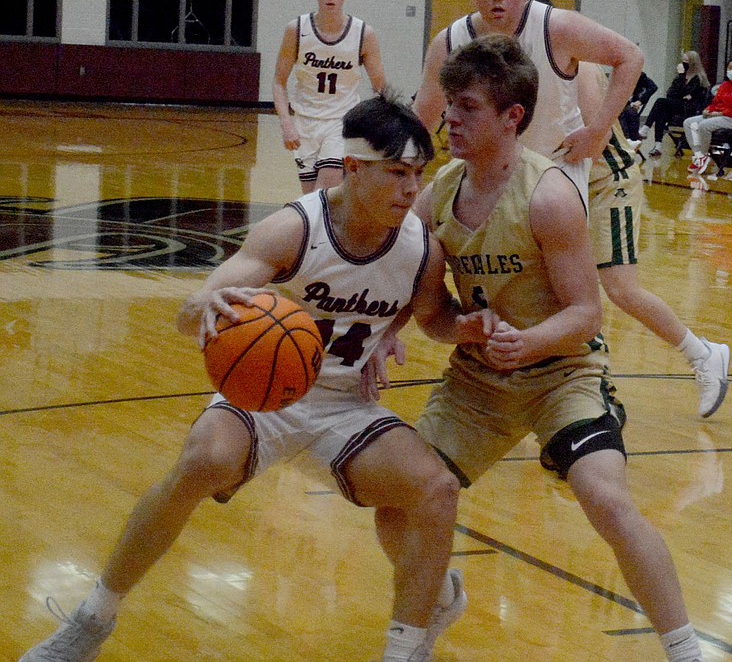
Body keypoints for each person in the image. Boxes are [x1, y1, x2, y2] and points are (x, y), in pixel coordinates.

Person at [17, 93, 490, 662]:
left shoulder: (421, 249)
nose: (411, 189)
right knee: (201, 462)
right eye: (397, 173)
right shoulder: (293, 229)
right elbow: (191, 313)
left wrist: (465, 329)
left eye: (418, 173)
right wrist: (205, 307)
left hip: (346, 405)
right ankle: (92, 620)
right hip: (263, 397)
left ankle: (408, 649)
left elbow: (433, 313)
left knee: (435, 489)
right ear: (355, 169)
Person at [377, 35, 706, 662]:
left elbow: (588, 314)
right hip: (478, 383)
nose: (451, 119)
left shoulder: (550, 197)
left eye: (467, 108)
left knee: (607, 500)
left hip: (562, 375)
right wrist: (453, 330)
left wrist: (527, 341)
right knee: (399, 503)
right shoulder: (435, 200)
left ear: (512, 118)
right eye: (450, 105)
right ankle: (439, 595)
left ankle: (685, 649)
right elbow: (432, 316)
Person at [412, 0, 643, 209]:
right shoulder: (448, 42)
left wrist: (596, 131)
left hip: (554, 165)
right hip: (483, 168)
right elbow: (422, 120)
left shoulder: (558, 27)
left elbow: (631, 57)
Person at [579, 62, 730, 417]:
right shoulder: (518, 66)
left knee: (620, 289)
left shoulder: (576, 66)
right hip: (569, 187)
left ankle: (703, 355)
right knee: (558, 291)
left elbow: (593, 138)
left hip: (606, 184)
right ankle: (589, 390)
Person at [272, 0, 386, 193]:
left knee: (326, 189)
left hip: (341, 122)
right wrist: (286, 123)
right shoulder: (297, 29)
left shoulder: (363, 33)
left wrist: (375, 124)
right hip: (304, 123)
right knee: (310, 195)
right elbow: (278, 82)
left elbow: (380, 86)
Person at [683, 58, 732, 176]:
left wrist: (721, 113)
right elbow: (715, 103)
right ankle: (699, 155)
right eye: (730, 68)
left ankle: (703, 153)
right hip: (717, 116)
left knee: (704, 125)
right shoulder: (724, 85)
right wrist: (708, 110)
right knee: (688, 122)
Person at [638, 51, 710, 157]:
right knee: (661, 112)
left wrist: (682, 79)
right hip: (678, 105)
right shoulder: (680, 77)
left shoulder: (698, 78)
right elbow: (670, 93)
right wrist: (683, 93)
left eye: (686, 61)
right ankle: (657, 146)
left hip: (689, 109)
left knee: (660, 101)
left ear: (693, 62)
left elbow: (686, 92)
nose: (684, 63)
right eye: (683, 60)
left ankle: (645, 129)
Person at [619, 70, 658, 145]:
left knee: (628, 112)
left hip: (629, 104)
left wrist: (641, 100)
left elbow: (653, 87)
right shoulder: (619, 74)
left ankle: (629, 139)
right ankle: (626, 138)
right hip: (618, 103)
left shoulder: (640, 76)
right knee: (622, 112)